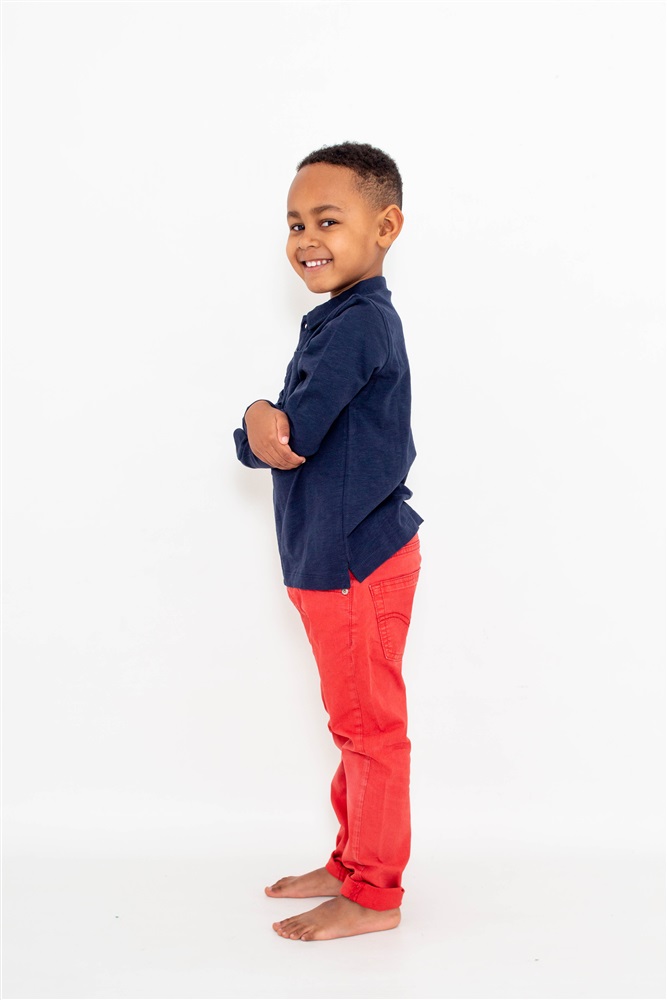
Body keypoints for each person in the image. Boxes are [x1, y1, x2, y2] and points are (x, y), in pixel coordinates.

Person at [234, 142, 423, 941]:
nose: (306, 238)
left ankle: (373, 894)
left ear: (385, 227)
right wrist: (260, 426)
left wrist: (255, 415)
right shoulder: (340, 320)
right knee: (352, 724)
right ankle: (351, 863)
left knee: (368, 729)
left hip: (355, 562)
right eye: (294, 223)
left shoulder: (357, 325)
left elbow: (289, 436)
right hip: (332, 558)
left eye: (327, 220)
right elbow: (284, 437)